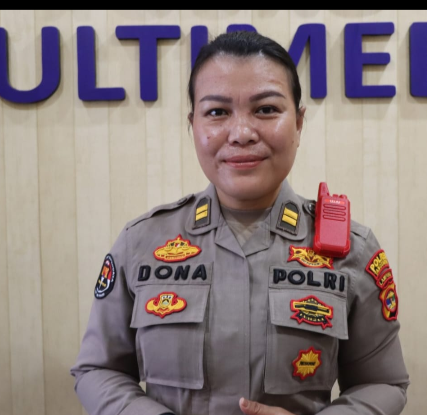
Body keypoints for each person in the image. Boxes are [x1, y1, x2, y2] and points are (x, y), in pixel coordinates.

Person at [70, 31, 409, 415]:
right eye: (217, 112)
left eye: (266, 109)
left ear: (299, 123)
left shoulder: (352, 249)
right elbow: (98, 369)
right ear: (193, 124)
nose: (242, 134)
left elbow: (383, 383)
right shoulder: (141, 243)